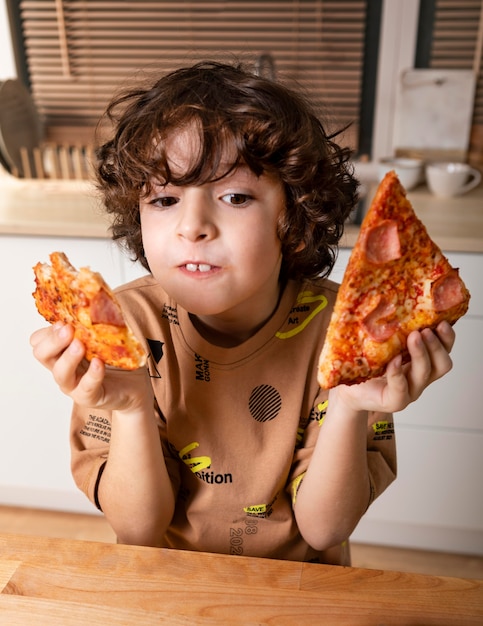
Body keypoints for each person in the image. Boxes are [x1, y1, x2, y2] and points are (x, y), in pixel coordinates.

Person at [30, 60, 455, 565]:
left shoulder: (351, 332)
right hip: (168, 589)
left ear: (293, 214)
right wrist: (131, 408)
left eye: (234, 196)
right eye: (165, 199)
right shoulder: (118, 331)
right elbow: (139, 529)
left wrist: (349, 404)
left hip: (301, 592)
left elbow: (324, 529)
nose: (193, 227)